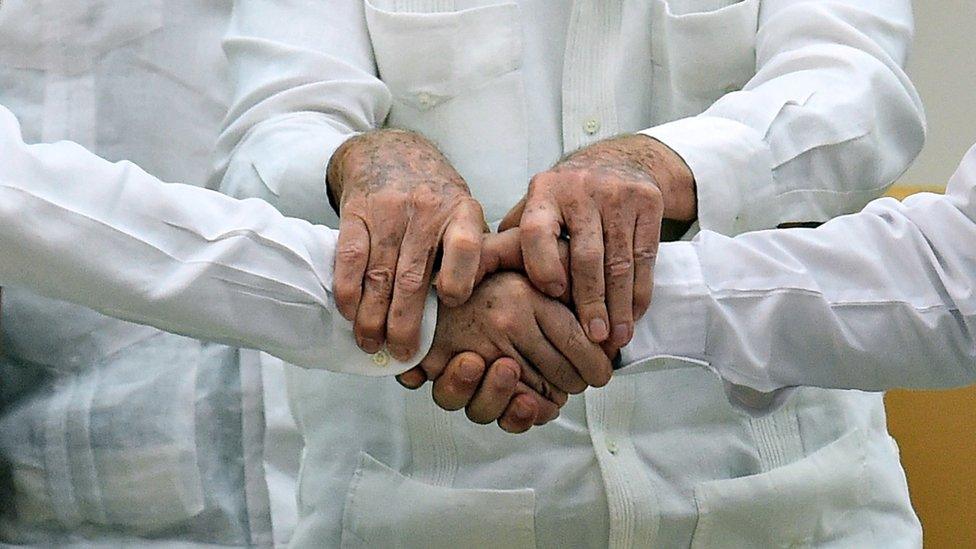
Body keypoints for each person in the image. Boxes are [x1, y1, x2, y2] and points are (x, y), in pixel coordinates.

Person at [217, 0, 927, 546]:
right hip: (422, 518)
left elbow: (858, 90)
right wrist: (362, 162)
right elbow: (270, 139)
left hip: (794, 512)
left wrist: (667, 166)